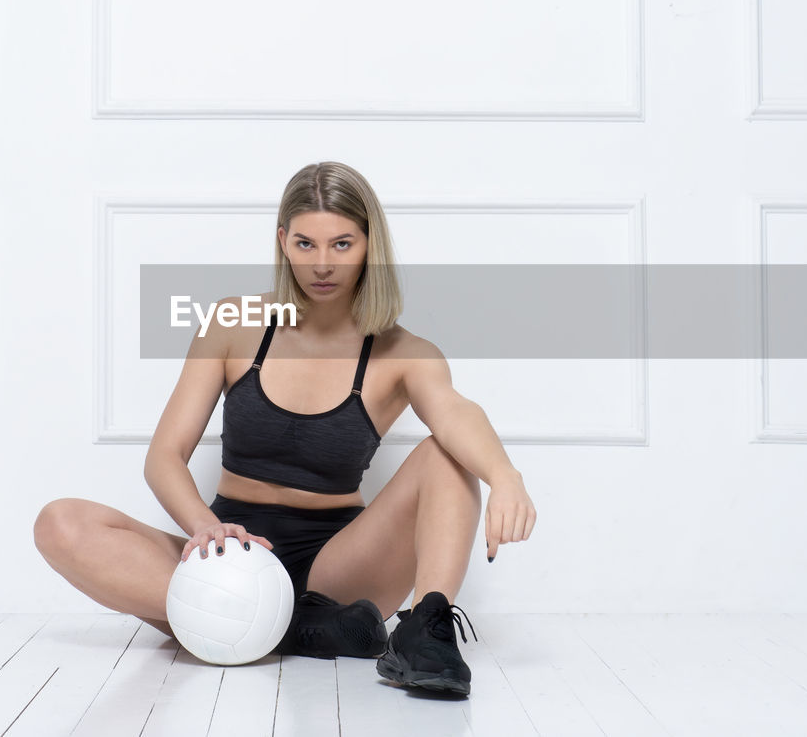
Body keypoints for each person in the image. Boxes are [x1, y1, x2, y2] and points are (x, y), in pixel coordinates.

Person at [34, 161, 536, 696]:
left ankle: (424, 633)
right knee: (60, 523)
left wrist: (505, 476)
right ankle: (297, 630)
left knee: (446, 454)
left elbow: (457, 414)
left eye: (342, 244)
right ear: (282, 241)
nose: (322, 264)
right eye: (305, 244)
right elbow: (164, 455)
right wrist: (206, 527)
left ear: (370, 246)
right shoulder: (233, 324)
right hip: (228, 555)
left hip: (338, 570)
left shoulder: (403, 354)